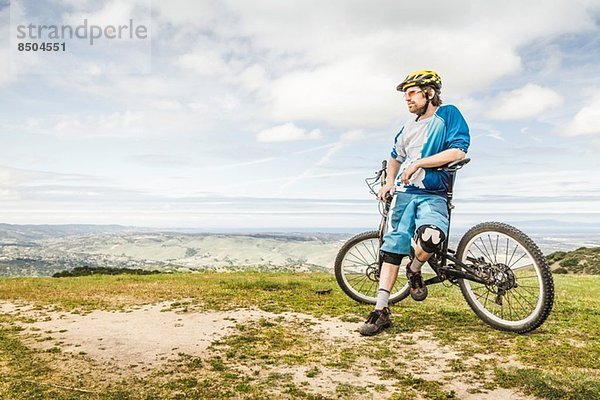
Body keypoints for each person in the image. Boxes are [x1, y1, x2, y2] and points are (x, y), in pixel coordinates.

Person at [359, 70, 470, 336]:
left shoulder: (448, 115)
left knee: (432, 237)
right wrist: (389, 181)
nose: (407, 99)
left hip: (433, 193)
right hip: (404, 196)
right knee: (393, 248)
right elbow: (395, 156)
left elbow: (458, 150)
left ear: (429, 93)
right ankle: (381, 309)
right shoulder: (407, 127)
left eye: (411, 92)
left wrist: (420, 162)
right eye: (405, 94)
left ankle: (415, 268)